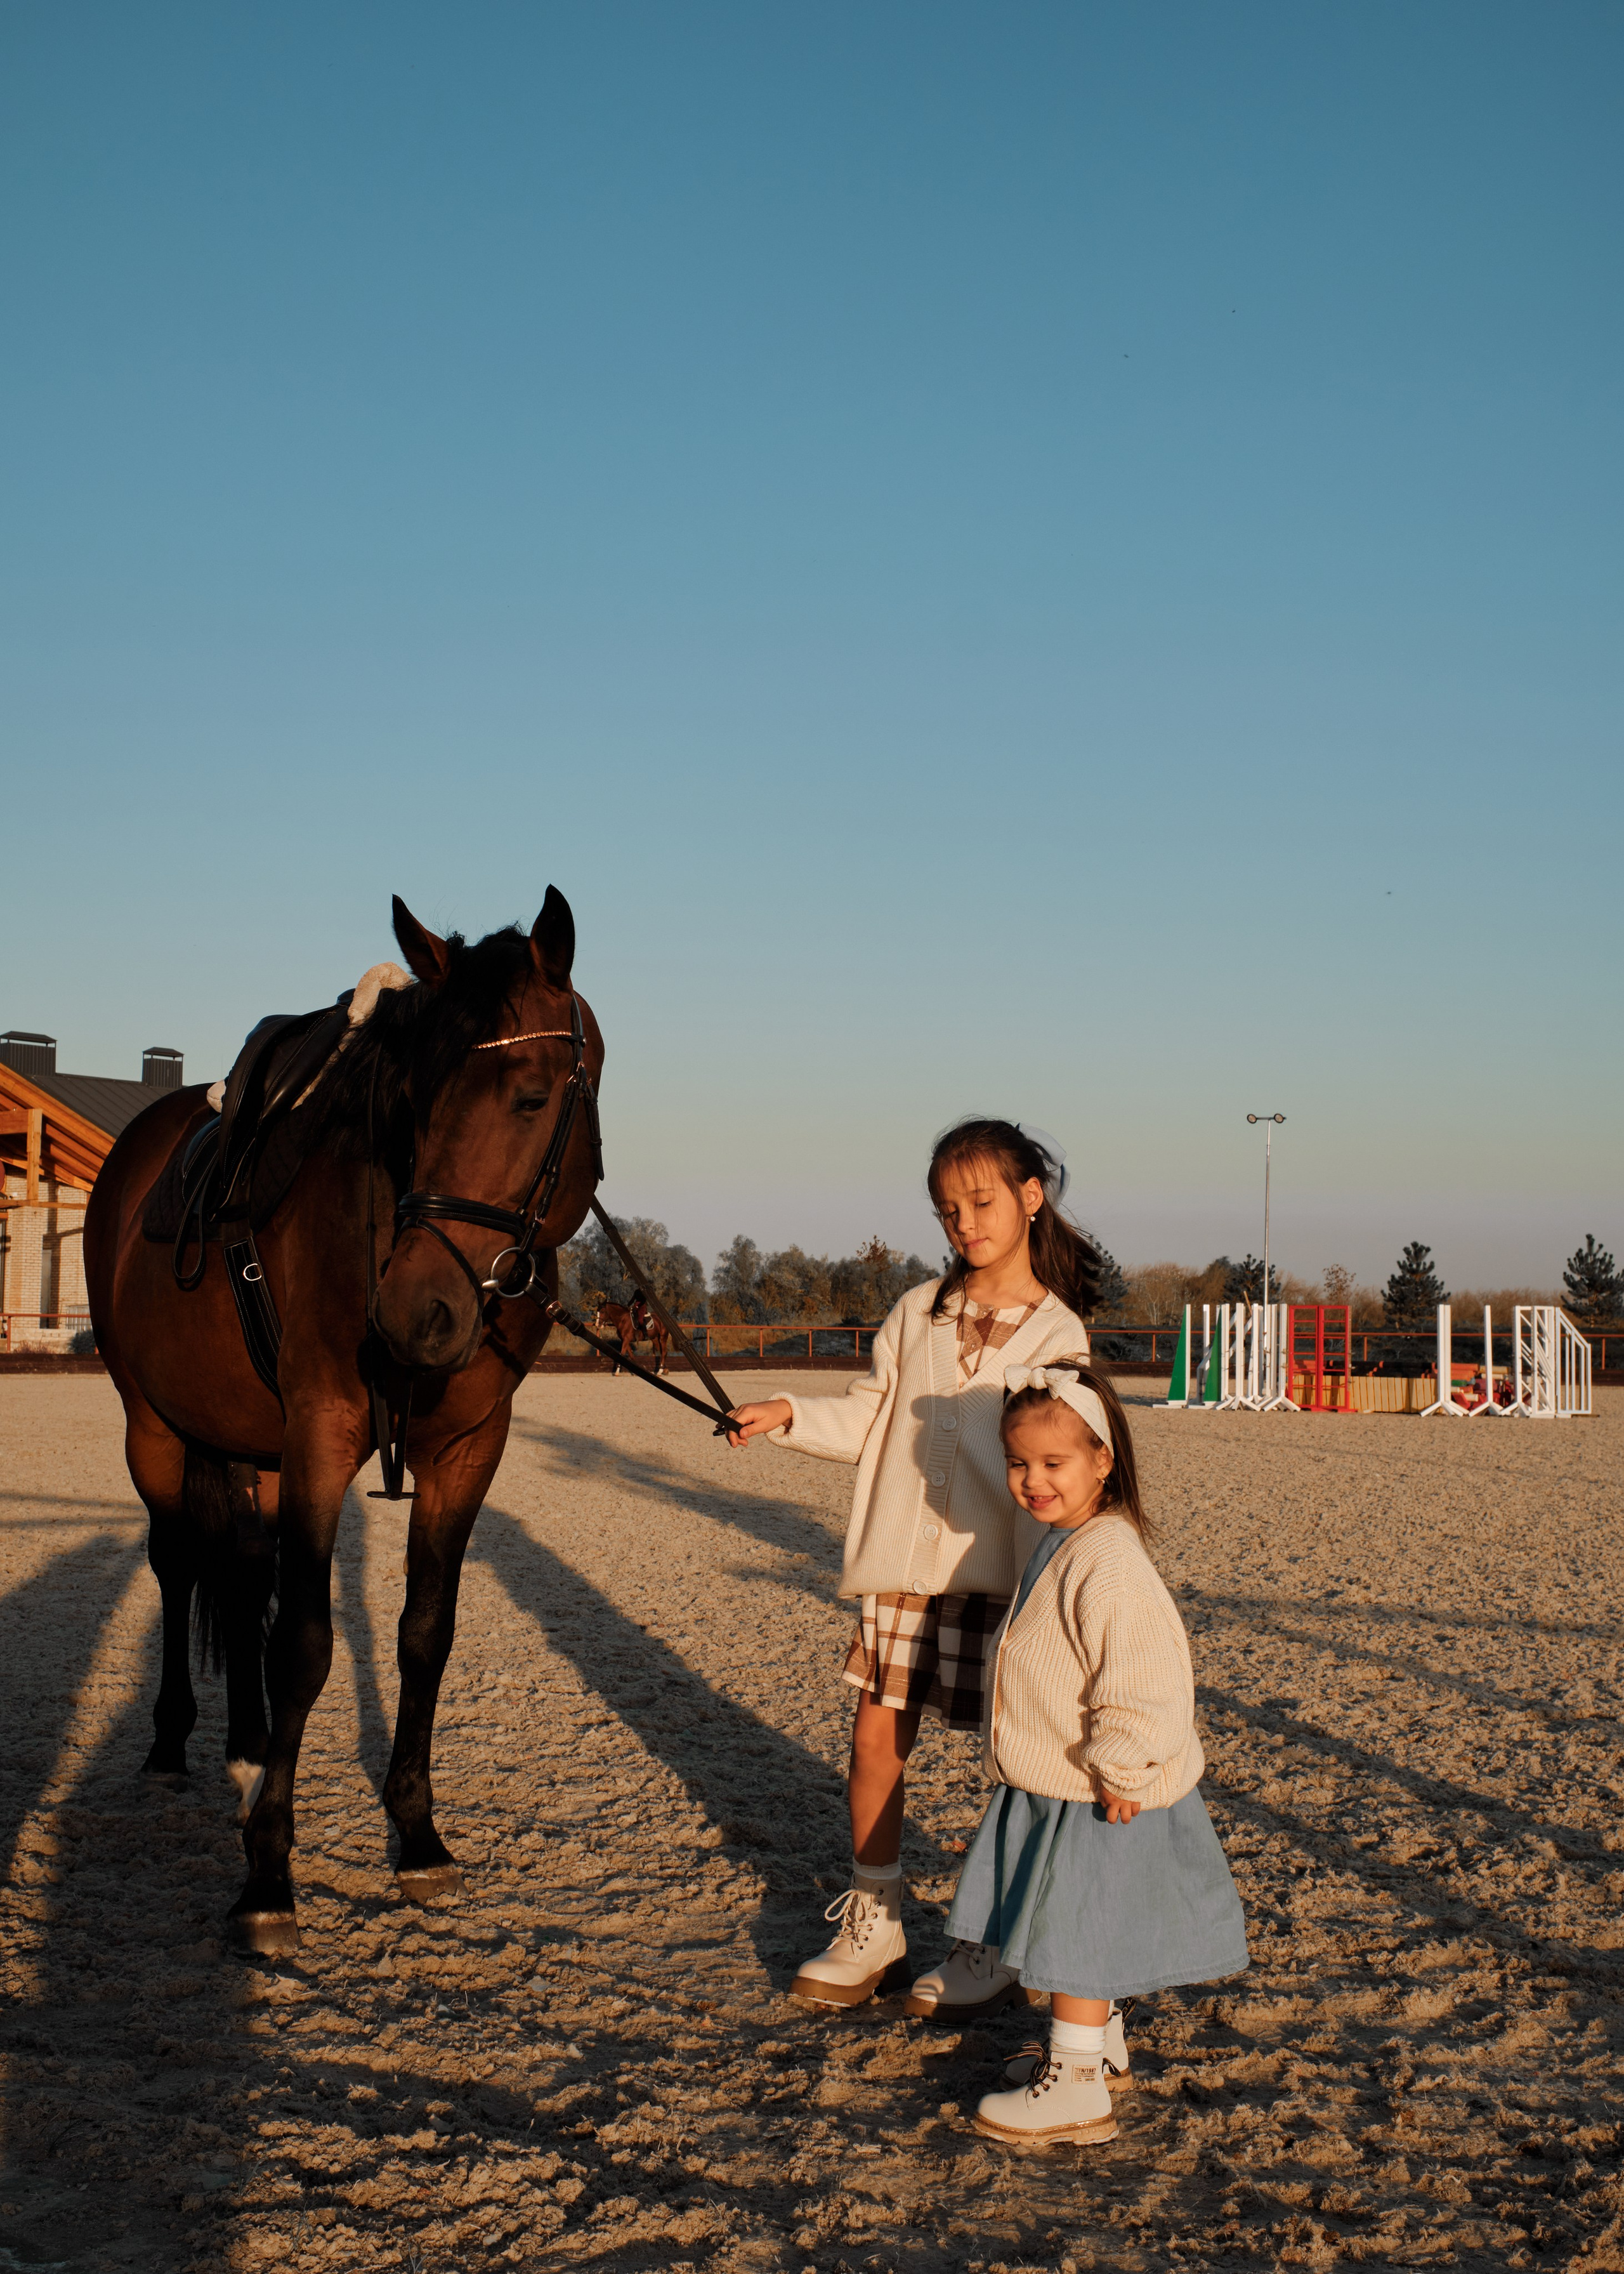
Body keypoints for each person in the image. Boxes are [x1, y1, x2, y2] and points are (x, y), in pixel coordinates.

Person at [727, 1118, 1101, 2014]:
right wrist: (787, 1412)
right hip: (903, 1561)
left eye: (980, 1202)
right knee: (874, 1737)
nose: (964, 1224)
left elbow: (1070, 1459)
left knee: (1017, 1761)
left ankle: (998, 1938)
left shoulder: (1060, 1333)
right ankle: (876, 1921)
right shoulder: (916, 1312)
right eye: (947, 1211)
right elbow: (869, 1418)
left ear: (1030, 1196)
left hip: (1004, 1572)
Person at [956, 1362, 1248, 2149]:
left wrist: (1121, 1765)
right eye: (1019, 1462)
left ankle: (1077, 2087)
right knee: (1070, 1921)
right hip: (1066, 1779)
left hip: (1103, 1788)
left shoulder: (1109, 1557)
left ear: (1102, 1459)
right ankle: (1103, 2045)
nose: (1033, 1479)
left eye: (1054, 1463)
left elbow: (1145, 1674)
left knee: (1078, 1935)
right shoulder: (1065, 1539)